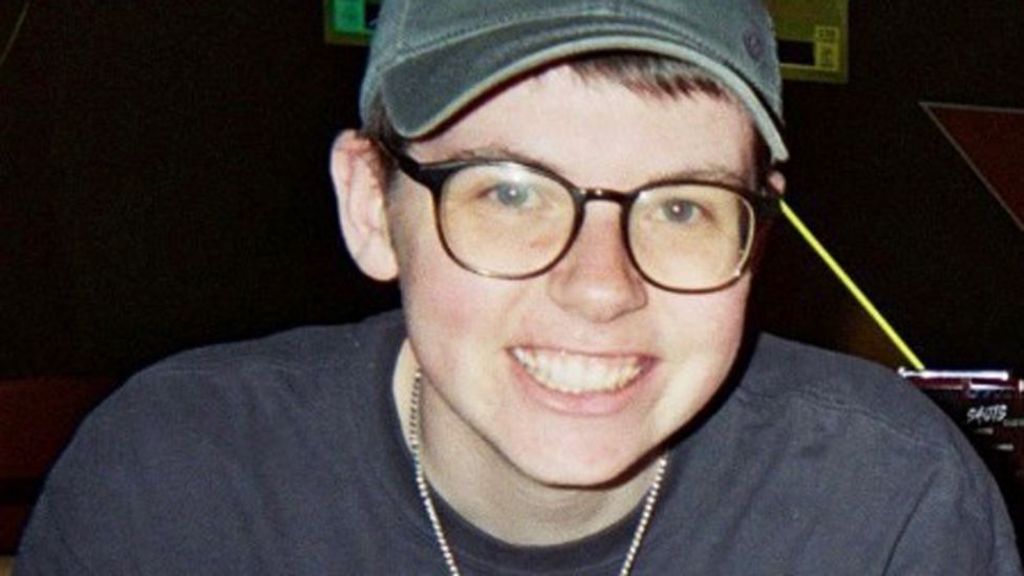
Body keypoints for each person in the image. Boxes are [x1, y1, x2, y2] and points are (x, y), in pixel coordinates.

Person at [15, 1, 1021, 574]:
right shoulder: (174, 491)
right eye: (509, 192)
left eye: (680, 207)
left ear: (757, 238)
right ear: (372, 206)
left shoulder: (884, 511)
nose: (599, 287)